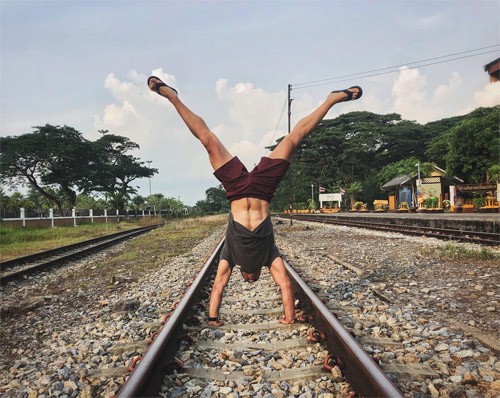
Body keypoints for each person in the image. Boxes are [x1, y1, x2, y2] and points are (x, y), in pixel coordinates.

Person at [148, 76, 362, 326]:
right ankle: (332, 99)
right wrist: (289, 318)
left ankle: (172, 96)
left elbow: (218, 285)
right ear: (260, 273)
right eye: (254, 280)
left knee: (209, 141)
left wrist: (213, 318)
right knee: (293, 140)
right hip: (263, 190)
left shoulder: (230, 255)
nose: (250, 280)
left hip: (236, 190)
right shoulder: (269, 257)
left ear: (242, 273)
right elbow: (284, 284)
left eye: (247, 280)